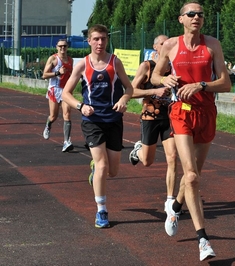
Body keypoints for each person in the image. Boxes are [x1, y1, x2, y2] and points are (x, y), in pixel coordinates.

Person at [150, 1, 231, 261]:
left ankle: (175, 207)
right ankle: (203, 239)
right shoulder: (171, 45)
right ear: (181, 19)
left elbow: (226, 84)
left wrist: (201, 85)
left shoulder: (212, 45)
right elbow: (155, 76)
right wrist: (164, 79)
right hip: (180, 112)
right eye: (191, 14)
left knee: (192, 176)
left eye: (200, 14)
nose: (197, 17)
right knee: (192, 176)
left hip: (206, 113)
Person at [61, 24, 133, 228]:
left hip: (113, 120)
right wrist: (80, 106)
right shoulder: (82, 64)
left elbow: (129, 87)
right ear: (89, 41)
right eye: (96, 39)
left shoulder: (114, 62)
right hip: (92, 121)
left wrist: (124, 100)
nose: (100, 43)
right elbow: (66, 93)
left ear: (107, 40)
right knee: (102, 164)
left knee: (113, 171)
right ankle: (101, 211)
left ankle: (95, 170)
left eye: (103, 39)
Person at [128, 34, 179, 207]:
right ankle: (137, 151)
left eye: (170, 44)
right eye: (164, 44)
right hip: (150, 117)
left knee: (172, 157)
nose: (168, 46)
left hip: (170, 118)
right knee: (147, 162)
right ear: (156, 47)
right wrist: (153, 92)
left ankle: (170, 200)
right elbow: (131, 92)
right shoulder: (147, 67)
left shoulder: (174, 68)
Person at [42, 39, 74, 152]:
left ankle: (66, 141)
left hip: (66, 91)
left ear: (67, 47)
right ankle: (48, 125)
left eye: (64, 46)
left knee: (67, 114)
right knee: (53, 116)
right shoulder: (53, 59)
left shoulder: (70, 60)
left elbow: (72, 75)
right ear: (56, 47)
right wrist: (57, 73)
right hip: (54, 90)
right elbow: (44, 75)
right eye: (60, 46)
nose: (62, 48)